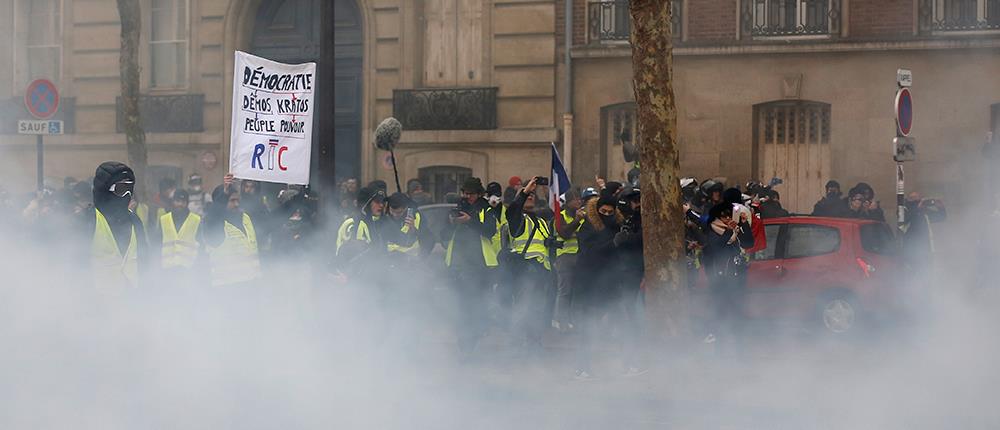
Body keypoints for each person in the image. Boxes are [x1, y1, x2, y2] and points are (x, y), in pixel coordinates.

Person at [442, 177, 498, 356]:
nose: (467, 197)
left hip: (479, 265)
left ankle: (472, 339)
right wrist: (451, 223)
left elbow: (490, 231)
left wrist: (470, 221)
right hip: (457, 264)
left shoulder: (486, 208)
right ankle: (465, 345)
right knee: (461, 306)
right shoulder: (458, 207)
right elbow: (443, 235)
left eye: (471, 194)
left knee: (475, 306)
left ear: (479, 193)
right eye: (465, 193)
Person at [573, 194, 624, 379]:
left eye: (611, 212)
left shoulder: (617, 225)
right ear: (598, 210)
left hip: (610, 281)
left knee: (620, 322)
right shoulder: (588, 226)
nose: (607, 214)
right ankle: (582, 366)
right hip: (589, 281)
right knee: (588, 325)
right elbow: (589, 252)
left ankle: (625, 364)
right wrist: (613, 243)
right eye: (604, 211)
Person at [505, 177, 554, 353]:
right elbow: (512, 212)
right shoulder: (518, 220)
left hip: (541, 272)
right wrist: (525, 191)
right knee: (523, 308)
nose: (530, 197)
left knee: (538, 309)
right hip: (524, 271)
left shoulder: (540, 222)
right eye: (527, 195)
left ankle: (534, 343)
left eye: (533, 195)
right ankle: (516, 345)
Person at [84, 161, 149, 289]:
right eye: (121, 189)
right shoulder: (89, 219)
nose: (127, 195)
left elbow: (144, 259)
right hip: (100, 300)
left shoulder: (134, 221)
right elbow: (76, 261)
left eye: (130, 190)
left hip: (131, 299)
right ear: (105, 190)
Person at [701, 202, 754, 353]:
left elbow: (748, 242)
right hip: (721, 282)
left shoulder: (733, 232)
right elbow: (719, 247)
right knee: (721, 316)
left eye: (729, 215)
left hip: (736, 281)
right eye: (723, 216)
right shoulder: (714, 233)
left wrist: (743, 225)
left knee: (738, 316)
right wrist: (731, 231)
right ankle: (721, 351)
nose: (727, 218)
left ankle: (739, 349)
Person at [201, 174, 262, 287]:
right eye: (232, 200)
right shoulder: (214, 224)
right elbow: (213, 216)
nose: (236, 204)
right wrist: (224, 193)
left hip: (252, 285)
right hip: (227, 288)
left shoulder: (245, 218)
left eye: (238, 200)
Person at [612, 186, 646, 375]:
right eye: (635, 201)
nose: (638, 204)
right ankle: (629, 362)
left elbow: (642, 238)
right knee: (630, 319)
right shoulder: (618, 221)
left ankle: (634, 360)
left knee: (637, 319)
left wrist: (628, 238)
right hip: (624, 277)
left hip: (637, 275)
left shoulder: (639, 222)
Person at [153, 189, 202, 282]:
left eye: (183, 201)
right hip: (167, 270)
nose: (180, 204)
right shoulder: (163, 220)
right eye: (177, 201)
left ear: (187, 203)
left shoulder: (196, 220)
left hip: (189, 270)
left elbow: (201, 246)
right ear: (173, 202)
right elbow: (157, 245)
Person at [553, 188, 584, 331]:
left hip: (580, 256)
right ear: (568, 202)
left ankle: (574, 319)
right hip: (565, 257)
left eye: (580, 198)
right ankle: (560, 319)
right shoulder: (560, 216)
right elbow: (564, 233)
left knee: (577, 290)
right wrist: (577, 221)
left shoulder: (583, 215)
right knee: (565, 290)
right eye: (575, 199)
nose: (578, 201)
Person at [902, 192, 947, 266]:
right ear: (909, 199)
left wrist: (940, 207)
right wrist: (917, 209)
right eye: (914, 198)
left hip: (925, 247)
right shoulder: (904, 208)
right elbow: (902, 220)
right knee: (912, 270)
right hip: (910, 247)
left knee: (926, 268)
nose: (917, 200)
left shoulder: (923, 210)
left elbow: (941, 217)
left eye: (919, 198)